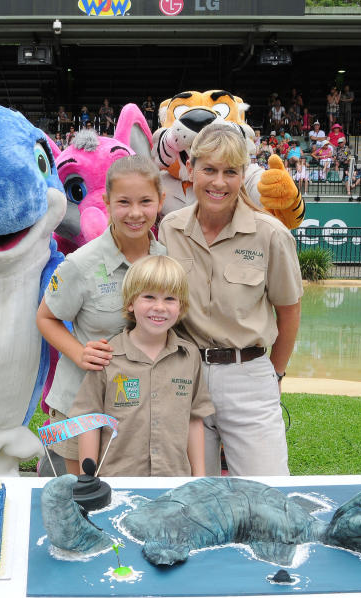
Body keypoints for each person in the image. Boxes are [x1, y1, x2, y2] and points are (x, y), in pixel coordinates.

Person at [157, 122, 302, 476]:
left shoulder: (271, 234)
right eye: (209, 169)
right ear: (191, 168)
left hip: (248, 376)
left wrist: (275, 374)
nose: (218, 182)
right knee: (192, 499)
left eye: (230, 172)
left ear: (242, 175)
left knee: (265, 494)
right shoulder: (171, 228)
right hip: (186, 378)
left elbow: (289, 310)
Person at [36, 155, 167, 476]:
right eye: (123, 202)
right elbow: (45, 318)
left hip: (140, 408)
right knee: (80, 500)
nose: (135, 213)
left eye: (145, 201)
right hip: (80, 405)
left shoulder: (166, 261)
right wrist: (79, 353)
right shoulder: (81, 264)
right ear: (107, 202)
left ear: (161, 201)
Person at [72, 255, 211, 477]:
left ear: (181, 306)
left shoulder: (189, 356)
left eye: (170, 299)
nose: (159, 307)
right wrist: (86, 480)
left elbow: (194, 419)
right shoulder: (107, 356)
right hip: (117, 481)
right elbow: (89, 420)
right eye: (148, 297)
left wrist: (199, 478)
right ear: (130, 302)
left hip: (173, 481)